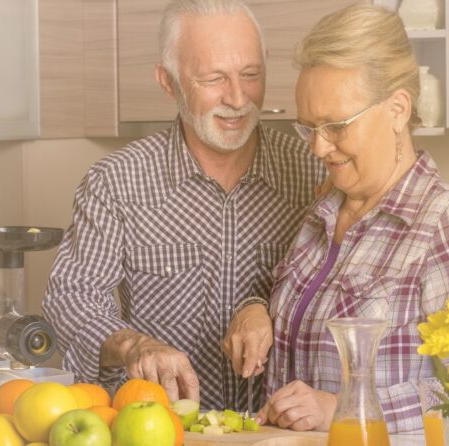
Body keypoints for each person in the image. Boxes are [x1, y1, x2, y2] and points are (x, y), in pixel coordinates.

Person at [41, 0, 326, 412]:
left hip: (282, 433)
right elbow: (72, 297)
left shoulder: (312, 174)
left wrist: (260, 306)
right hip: (161, 429)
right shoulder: (117, 182)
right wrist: (135, 345)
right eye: (213, 78)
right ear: (168, 81)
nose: (236, 97)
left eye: (251, 75)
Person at [243, 4, 449, 434]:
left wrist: (344, 408)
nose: (318, 148)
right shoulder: (320, 214)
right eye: (308, 127)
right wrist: (254, 309)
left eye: (337, 126)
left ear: (398, 109)